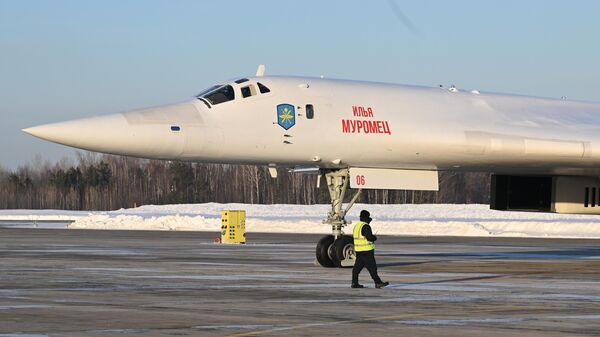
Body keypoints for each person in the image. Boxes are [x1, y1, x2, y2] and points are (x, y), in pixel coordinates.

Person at [351, 210, 389, 289]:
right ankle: (378, 282)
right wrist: (374, 237)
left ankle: (354, 283)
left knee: (356, 268)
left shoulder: (357, 226)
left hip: (359, 251)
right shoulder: (365, 226)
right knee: (372, 268)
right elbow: (369, 238)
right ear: (366, 218)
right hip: (367, 251)